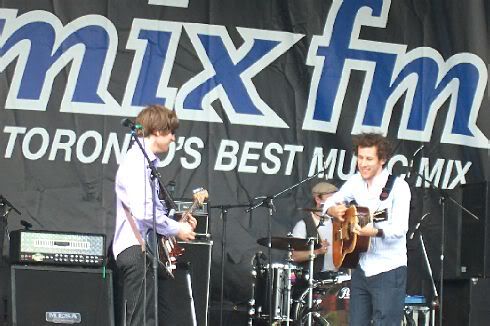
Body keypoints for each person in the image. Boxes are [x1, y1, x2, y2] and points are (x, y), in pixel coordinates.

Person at [112, 104, 197, 326]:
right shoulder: (136, 162)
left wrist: (177, 223)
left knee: (148, 319)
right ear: (157, 131)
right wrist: (178, 229)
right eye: (171, 132)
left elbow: (151, 211)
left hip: (143, 251)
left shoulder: (144, 163)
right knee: (141, 321)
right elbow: (142, 212)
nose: (173, 139)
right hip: (136, 250)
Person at [322, 133, 411, 326]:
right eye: (360, 158)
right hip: (362, 267)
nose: (363, 163)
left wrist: (375, 232)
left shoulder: (398, 187)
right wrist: (332, 209)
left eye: (369, 158)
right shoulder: (355, 182)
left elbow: (400, 227)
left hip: (389, 269)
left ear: (383, 160)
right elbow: (329, 201)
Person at [291, 181, 338, 277]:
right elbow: (295, 256)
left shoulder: (338, 223)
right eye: (330, 199)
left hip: (337, 278)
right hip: (313, 280)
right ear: (318, 199)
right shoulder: (303, 225)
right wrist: (317, 252)